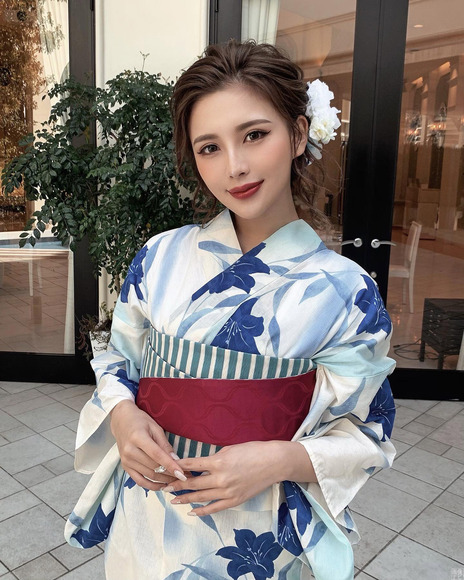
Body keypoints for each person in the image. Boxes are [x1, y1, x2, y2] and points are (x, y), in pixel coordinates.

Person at [65, 40, 396, 580]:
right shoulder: (160, 256)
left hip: (259, 522)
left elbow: (367, 430)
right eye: (209, 147)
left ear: (299, 133)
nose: (234, 167)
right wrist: (123, 418)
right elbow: (118, 359)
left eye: (255, 135)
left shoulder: (346, 290)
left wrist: (278, 460)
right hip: (151, 507)